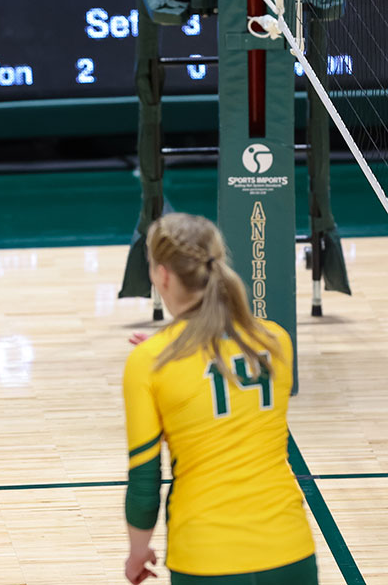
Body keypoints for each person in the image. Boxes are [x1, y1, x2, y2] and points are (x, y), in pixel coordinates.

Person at [123, 213, 317, 585]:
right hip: (291, 551)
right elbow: (225, 381)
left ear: (162, 275)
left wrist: (137, 554)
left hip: (206, 558)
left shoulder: (149, 363)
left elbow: (145, 484)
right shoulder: (276, 341)